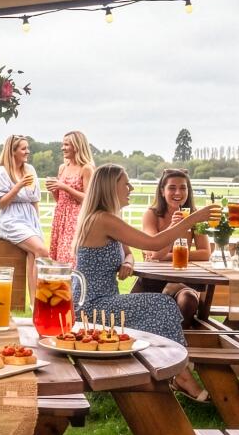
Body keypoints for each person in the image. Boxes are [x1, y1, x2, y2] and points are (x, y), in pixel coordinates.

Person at [72, 164, 219, 401]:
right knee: (162, 305)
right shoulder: (103, 219)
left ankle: (173, 368)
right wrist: (194, 219)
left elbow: (129, 251)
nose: (130, 188)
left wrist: (127, 262)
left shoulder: (106, 219)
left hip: (100, 300)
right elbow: (152, 244)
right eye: (126, 184)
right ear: (111, 188)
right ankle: (178, 372)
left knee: (160, 305)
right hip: (91, 307)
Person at [141, 169, 210, 325]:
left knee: (188, 300)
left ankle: (181, 341)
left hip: (183, 279)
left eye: (183, 187)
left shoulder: (195, 216)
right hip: (153, 279)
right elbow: (154, 252)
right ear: (162, 191)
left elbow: (205, 253)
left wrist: (170, 256)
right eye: (172, 187)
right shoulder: (151, 215)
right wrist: (174, 227)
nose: (178, 192)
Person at [0, 135, 49, 298]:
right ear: (12, 151)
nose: (27, 152)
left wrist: (37, 223)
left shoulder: (30, 170)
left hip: (30, 220)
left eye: (27, 148)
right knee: (42, 251)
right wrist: (18, 186)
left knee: (34, 255)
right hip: (11, 219)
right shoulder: (1, 172)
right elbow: (1, 204)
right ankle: (40, 300)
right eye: (23, 149)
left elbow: (35, 199)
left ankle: (34, 304)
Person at [47, 131, 95, 265]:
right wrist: (54, 189)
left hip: (76, 218)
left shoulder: (87, 169)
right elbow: (60, 199)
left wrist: (64, 187)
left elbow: (89, 199)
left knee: (71, 258)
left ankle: (75, 286)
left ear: (77, 146)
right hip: (61, 217)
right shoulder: (63, 167)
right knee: (59, 259)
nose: (63, 148)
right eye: (63, 144)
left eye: (66, 145)